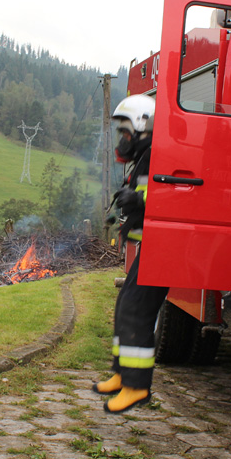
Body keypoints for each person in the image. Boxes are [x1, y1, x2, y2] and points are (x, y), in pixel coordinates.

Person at [92, 95, 168, 413]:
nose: (123, 141)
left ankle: (137, 387)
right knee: (126, 304)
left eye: (126, 134)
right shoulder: (144, 156)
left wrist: (138, 199)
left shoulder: (160, 155)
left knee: (136, 310)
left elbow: (170, 191)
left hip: (165, 248)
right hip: (153, 246)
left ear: (143, 127)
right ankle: (122, 373)